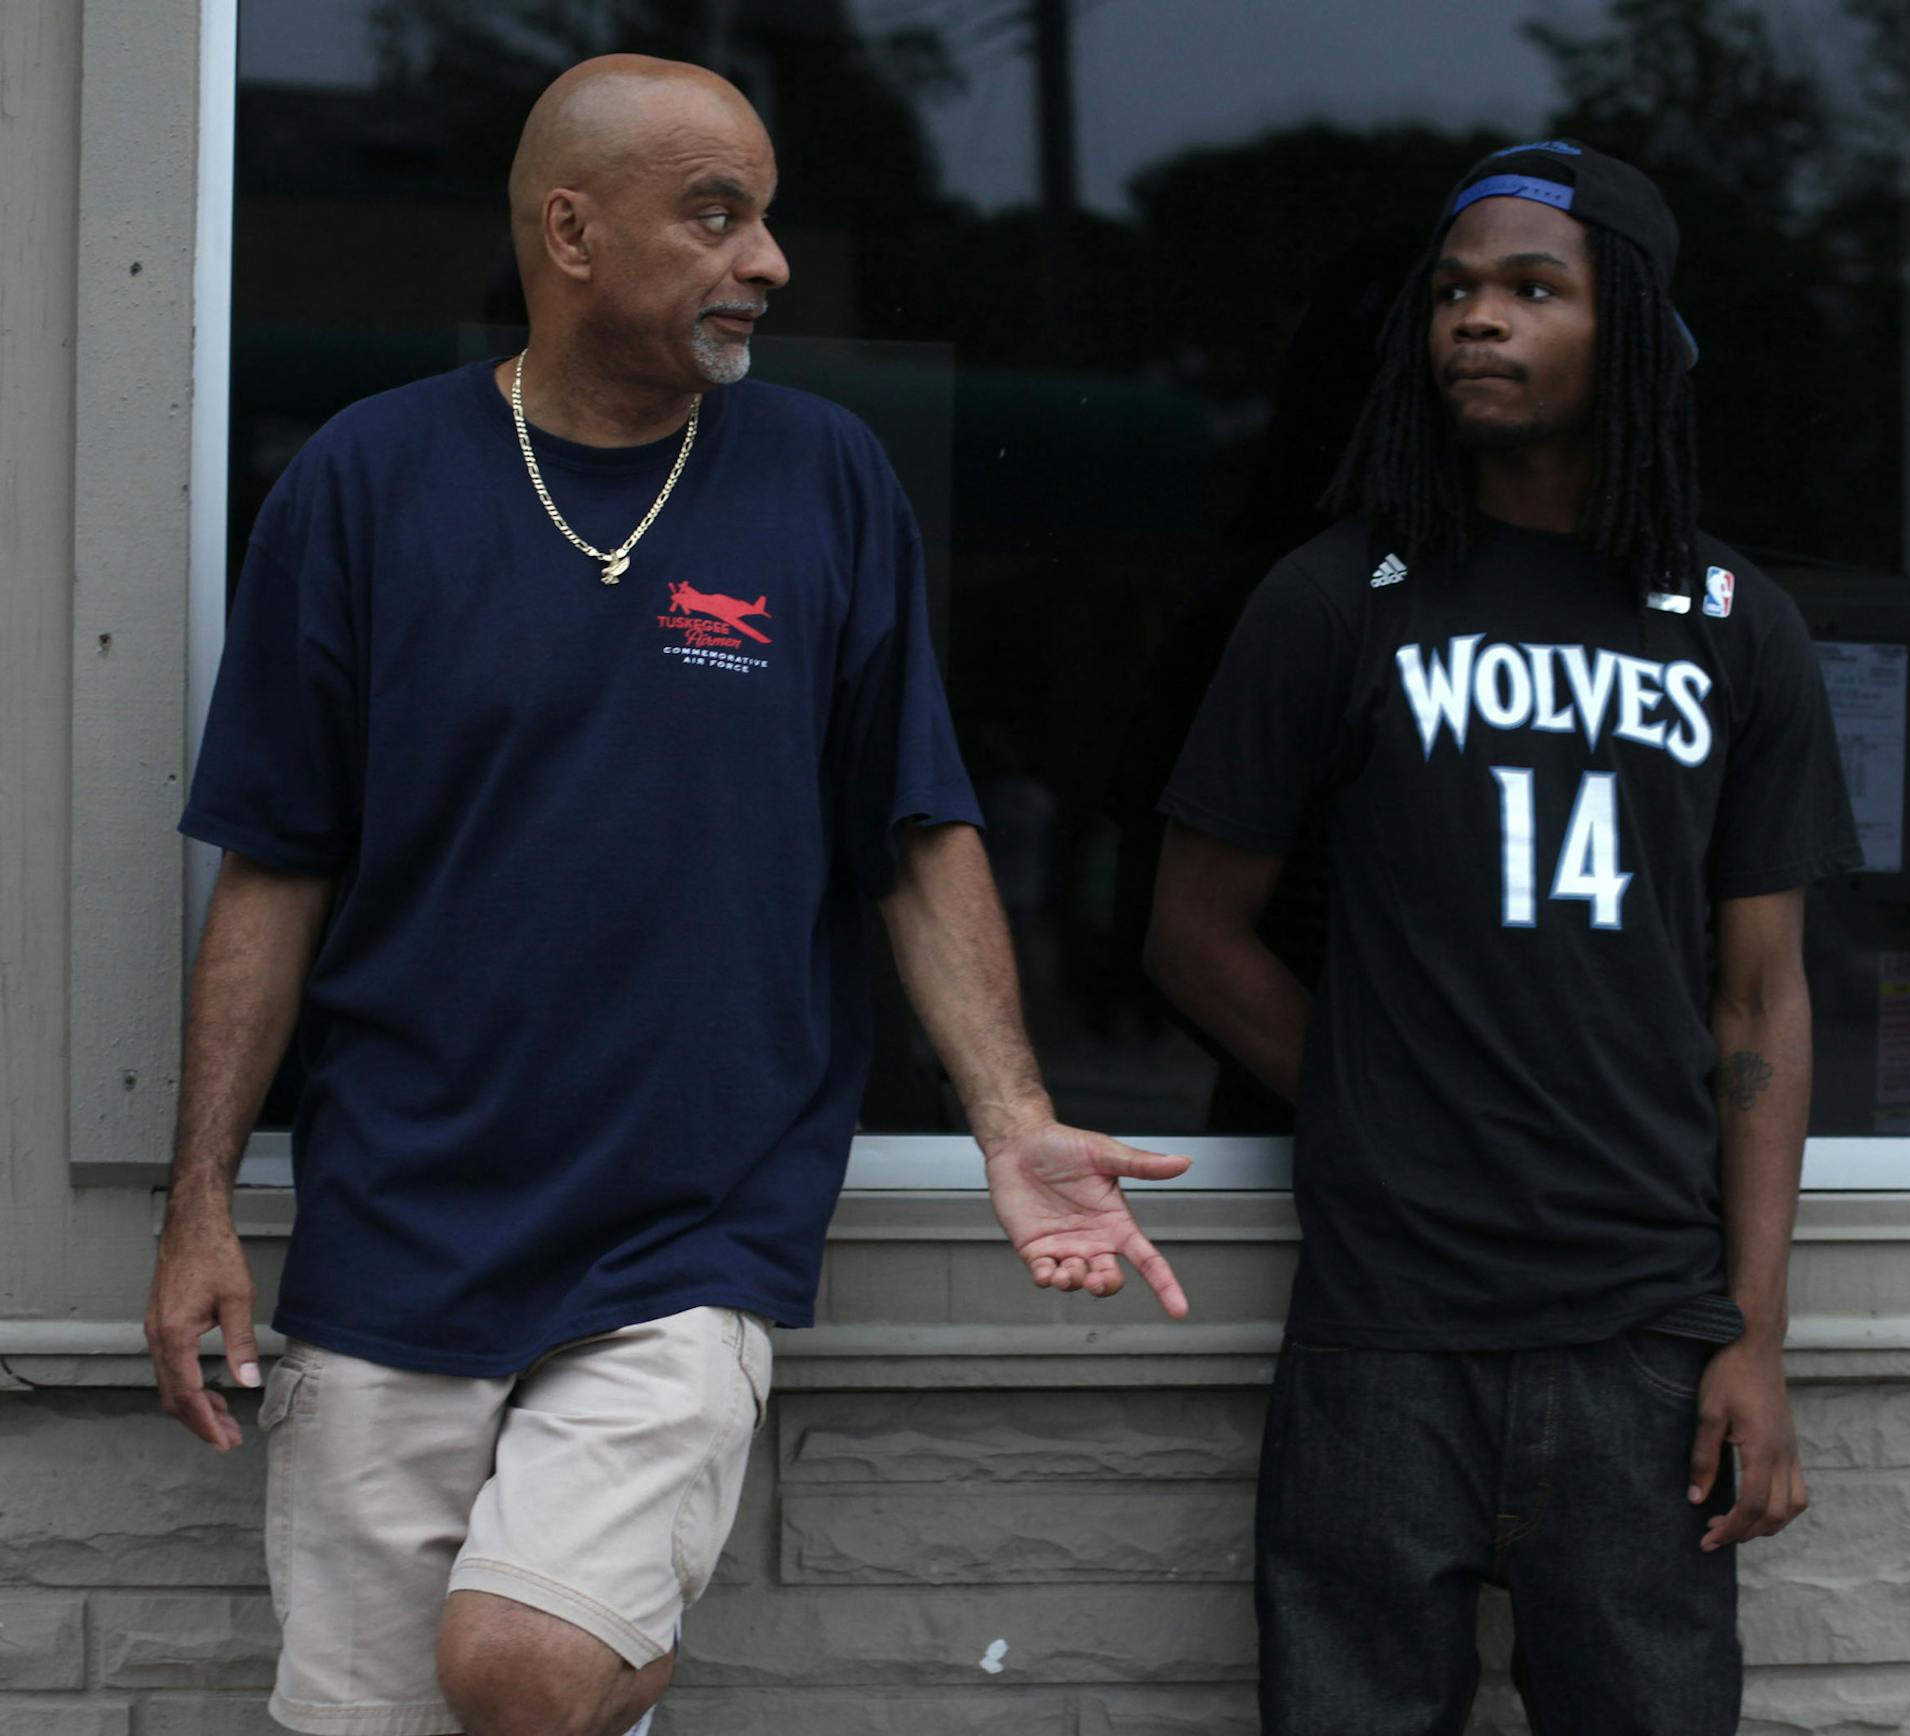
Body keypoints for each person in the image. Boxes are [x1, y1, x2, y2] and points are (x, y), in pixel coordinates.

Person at [144, 55, 1189, 1736]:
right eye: (718, 217)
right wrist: (199, 1200)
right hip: (394, 1228)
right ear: (571, 230)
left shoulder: (823, 479)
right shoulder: (367, 479)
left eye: (764, 216)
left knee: (524, 1668)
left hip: (682, 1231)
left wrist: (1014, 1123)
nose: (766, 261)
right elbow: (278, 866)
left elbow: (916, 830)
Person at [1146, 139, 1859, 1734]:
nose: (1481, 320)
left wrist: (1754, 1337)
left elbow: (1760, 999)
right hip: (1384, 1327)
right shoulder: (1338, 599)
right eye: (1457, 291)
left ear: (1634, 333)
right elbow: (1194, 935)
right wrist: (1375, 1088)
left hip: (1642, 1340)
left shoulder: (1737, 624)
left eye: (1537, 287)